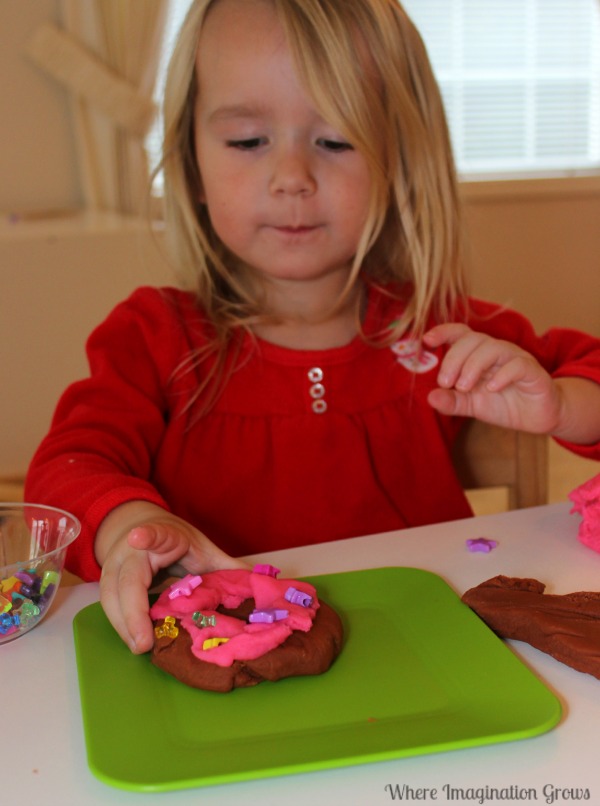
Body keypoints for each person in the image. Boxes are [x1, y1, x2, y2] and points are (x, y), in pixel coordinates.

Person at [25, 0, 600, 655]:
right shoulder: (154, 338)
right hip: (219, 659)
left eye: (335, 140)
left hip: (419, 654)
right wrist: (132, 524)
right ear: (190, 161)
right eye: (247, 141)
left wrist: (559, 403)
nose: (292, 178)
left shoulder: (437, 329)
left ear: (399, 162)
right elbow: (67, 471)